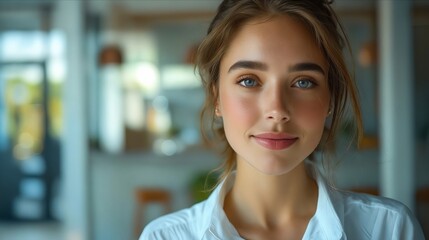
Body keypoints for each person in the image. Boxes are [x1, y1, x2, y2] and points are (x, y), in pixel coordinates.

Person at [140, 0, 425, 239]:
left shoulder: (388, 229)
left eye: (303, 82)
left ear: (330, 98)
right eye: (249, 80)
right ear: (216, 97)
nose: (277, 110)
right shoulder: (164, 236)